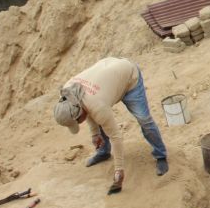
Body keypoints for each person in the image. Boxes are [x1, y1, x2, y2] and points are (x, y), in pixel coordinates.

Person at [53, 57, 169, 193]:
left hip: (129, 77)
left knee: (144, 119)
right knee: (98, 118)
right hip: (108, 78)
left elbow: (116, 136)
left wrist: (119, 170)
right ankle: (103, 152)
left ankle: (161, 155)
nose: (79, 123)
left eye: (78, 121)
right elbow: (87, 110)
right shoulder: (67, 94)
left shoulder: (96, 105)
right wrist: (95, 134)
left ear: (79, 111)